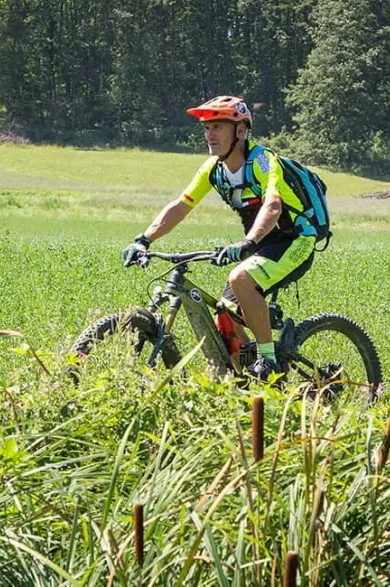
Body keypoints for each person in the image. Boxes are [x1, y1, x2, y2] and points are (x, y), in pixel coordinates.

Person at [121, 95, 319, 380]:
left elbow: (273, 206)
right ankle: (250, 380)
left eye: (217, 127)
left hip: (295, 240)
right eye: (206, 128)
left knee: (240, 279)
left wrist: (247, 243)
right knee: (224, 315)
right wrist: (144, 239)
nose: (209, 135)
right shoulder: (214, 168)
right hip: (260, 245)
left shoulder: (263, 161)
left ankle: (268, 360)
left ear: (239, 130)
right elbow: (181, 205)